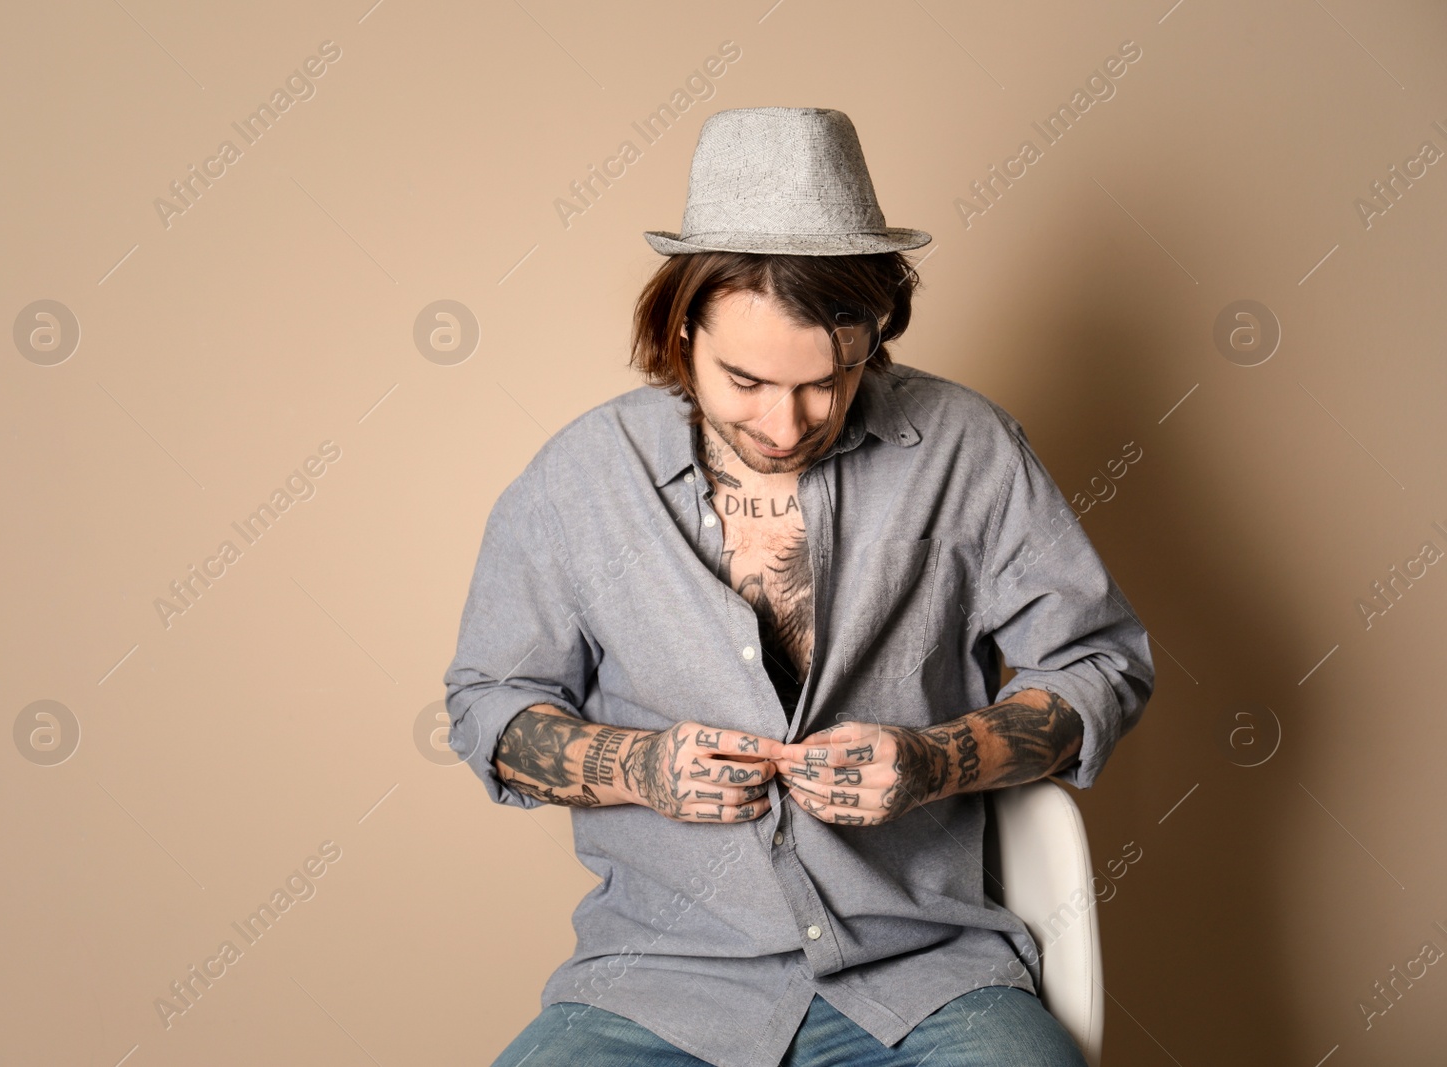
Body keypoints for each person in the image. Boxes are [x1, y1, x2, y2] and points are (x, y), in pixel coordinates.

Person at [443, 107, 1155, 1067]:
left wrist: (934, 761)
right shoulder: (580, 478)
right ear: (681, 326)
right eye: (745, 381)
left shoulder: (968, 447)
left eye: (829, 380)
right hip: (656, 982)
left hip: (927, 974)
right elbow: (492, 706)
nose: (786, 424)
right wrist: (638, 766)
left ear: (875, 330)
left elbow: (1099, 665)